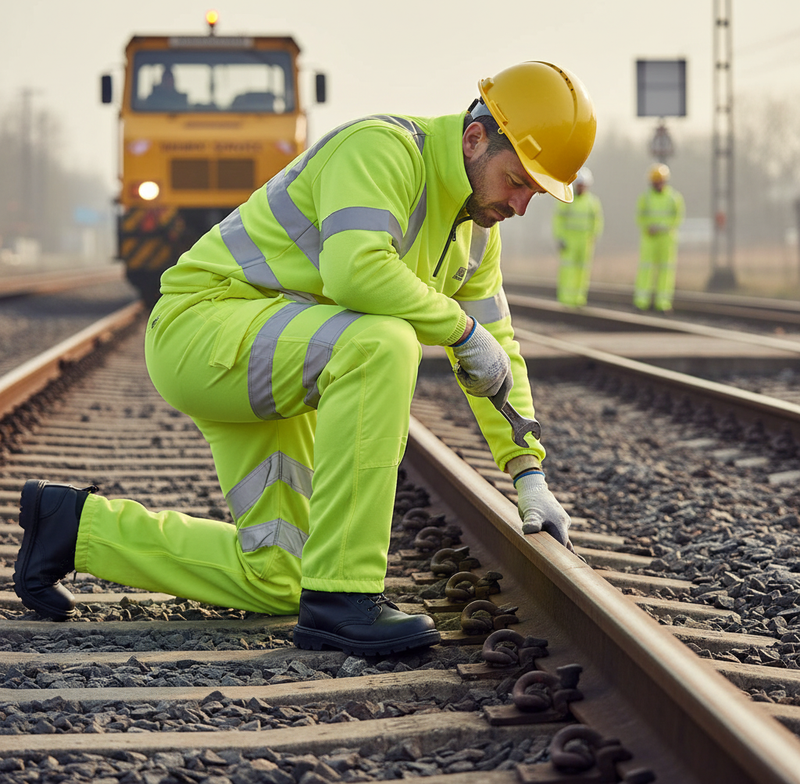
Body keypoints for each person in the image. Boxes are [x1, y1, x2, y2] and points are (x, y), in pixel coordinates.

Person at [13, 61, 596, 656]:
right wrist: (459, 327)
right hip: (205, 328)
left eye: (537, 193)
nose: (522, 204)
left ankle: (71, 527)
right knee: (384, 343)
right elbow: (356, 271)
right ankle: (345, 598)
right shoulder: (383, 149)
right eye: (518, 180)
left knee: (278, 576)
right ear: (475, 139)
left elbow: (499, 351)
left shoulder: (475, 233)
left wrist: (528, 473)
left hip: (285, 354)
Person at [633, 163, 685, 312]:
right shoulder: (645, 198)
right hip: (649, 239)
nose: (658, 183)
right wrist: (648, 227)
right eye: (656, 180)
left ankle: (663, 303)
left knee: (666, 271)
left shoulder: (674, 198)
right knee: (646, 269)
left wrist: (662, 227)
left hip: (667, 240)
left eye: (660, 180)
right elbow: (639, 217)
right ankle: (641, 301)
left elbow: (678, 218)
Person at [552, 167, 603, 306]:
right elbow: (558, 220)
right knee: (568, 270)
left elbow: (597, 221)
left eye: (583, 185)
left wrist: (593, 237)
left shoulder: (592, 202)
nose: (581, 188)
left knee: (583, 271)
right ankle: (566, 299)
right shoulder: (567, 200)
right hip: (569, 242)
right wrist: (560, 237)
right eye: (579, 185)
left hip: (585, 243)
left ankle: (579, 298)